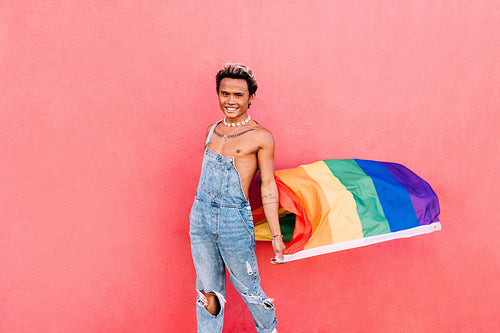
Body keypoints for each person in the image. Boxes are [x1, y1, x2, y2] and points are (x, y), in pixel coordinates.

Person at [189, 63, 286, 333]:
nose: (230, 101)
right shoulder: (211, 130)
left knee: (249, 289)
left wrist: (276, 236)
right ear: (219, 94)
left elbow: (267, 185)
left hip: (234, 221)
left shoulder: (261, 136)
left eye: (238, 95)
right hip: (201, 217)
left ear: (251, 97)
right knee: (207, 291)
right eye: (225, 94)